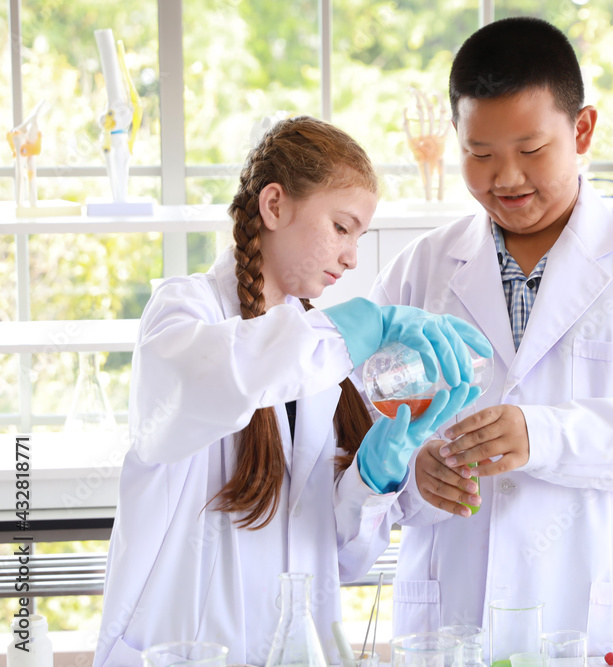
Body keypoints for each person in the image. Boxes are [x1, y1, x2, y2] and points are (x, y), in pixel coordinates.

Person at [373, 18, 613, 652]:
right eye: (480, 154)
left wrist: (546, 435)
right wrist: (413, 471)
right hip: (454, 621)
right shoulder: (421, 270)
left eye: (530, 150)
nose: (506, 178)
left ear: (582, 131)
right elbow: (359, 431)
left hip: (597, 618)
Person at [94, 116, 490, 666]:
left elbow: (341, 561)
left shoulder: (322, 367)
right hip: (186, 652)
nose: (352, 257)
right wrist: (357, 327)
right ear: (275, 206)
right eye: (341, 227)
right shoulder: (186, 312)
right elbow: (211, 382)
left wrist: (371, 483)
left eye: (359, 237)